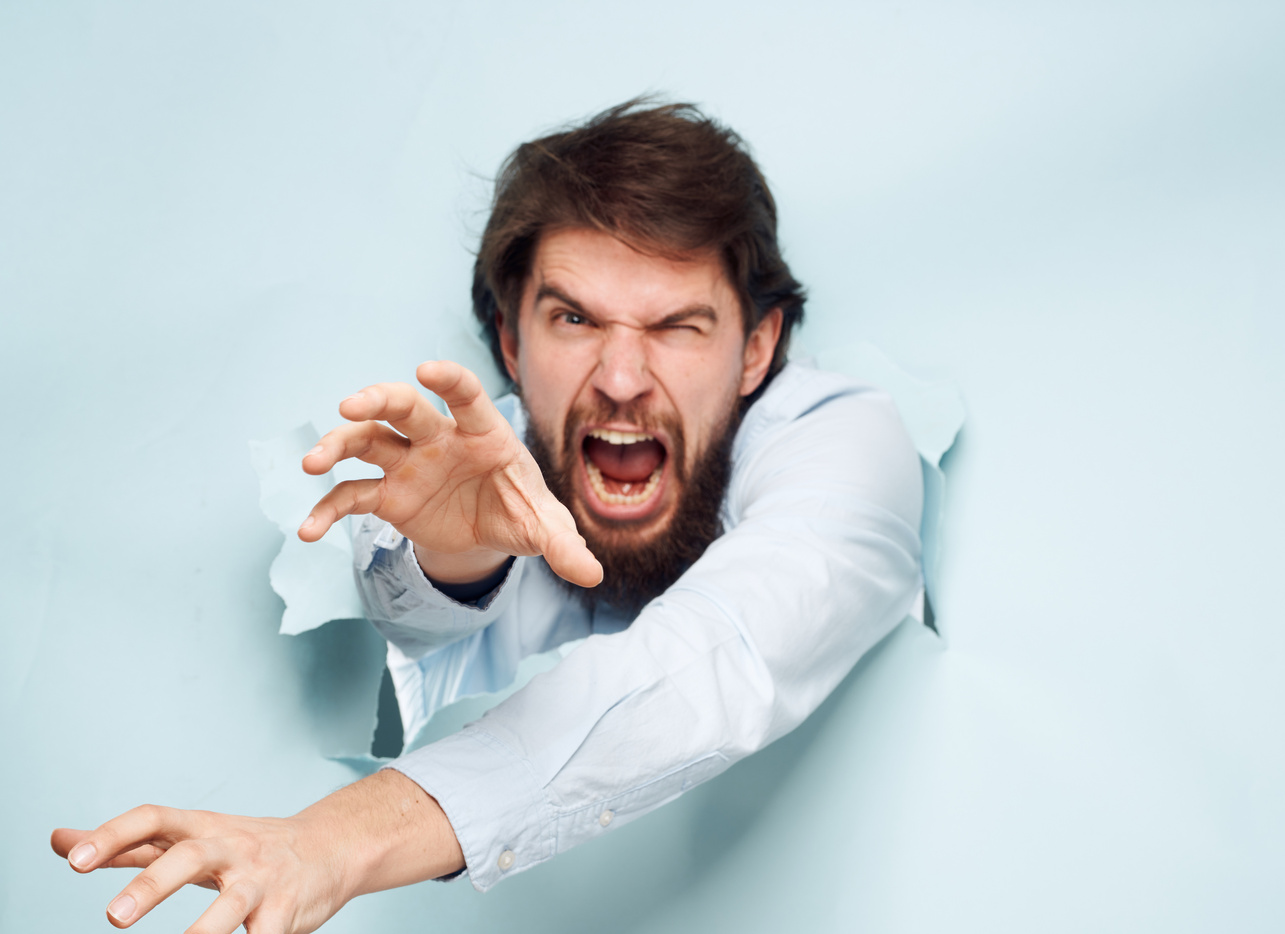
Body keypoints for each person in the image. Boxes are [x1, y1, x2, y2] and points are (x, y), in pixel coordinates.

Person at [50, 100, 926, 934]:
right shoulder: (480, 449)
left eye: (677, 326)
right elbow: (400, 624)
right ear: (511, 342)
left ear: (758, 349)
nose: (621, 378)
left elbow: (725, 652)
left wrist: (330, 841)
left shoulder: (842, 443)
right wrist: (453, 560)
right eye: (574, 318)